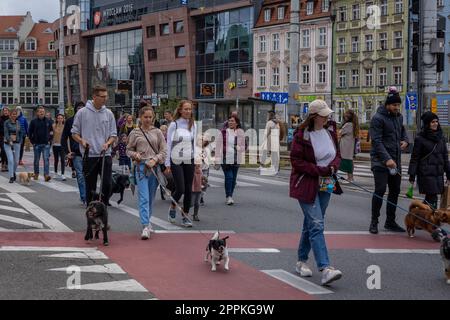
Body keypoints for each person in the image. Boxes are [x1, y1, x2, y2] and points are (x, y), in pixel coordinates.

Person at [289, 99, 343, 286]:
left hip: (327, 182)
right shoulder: (301, 135)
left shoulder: (330, 131)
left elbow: (337, 154)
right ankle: (325, 268)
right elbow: (297, 162)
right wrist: (321, 170)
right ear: (314, 116)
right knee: (317, 224)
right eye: (324, 114)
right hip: (307, 183)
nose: (328, 116)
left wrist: (333, 167)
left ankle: (301, 261)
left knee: (311, 223)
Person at [369, 87, 409, 234]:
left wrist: (405, 140)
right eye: (394, 105)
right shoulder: (378, 118)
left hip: (395, 160)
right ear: (387, 105)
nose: (397, 108)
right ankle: (374, 221)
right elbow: (377, 142)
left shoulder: (399, 117)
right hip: (380, 161)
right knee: (380, 190)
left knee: (395, 191)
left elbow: (403, 131)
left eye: (398, 105)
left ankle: (390, 221)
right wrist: (387, 159)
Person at [72, 86, 117, 206]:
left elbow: (113, 134)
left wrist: (108, 143)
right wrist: (82, 141)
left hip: (105, 153)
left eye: (106, 96)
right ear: (94, 97)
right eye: (102, 96)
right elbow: (74, 133)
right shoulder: (82, 113)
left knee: (107, 183)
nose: (105, 99)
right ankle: (91, 207)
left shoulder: (108, 113)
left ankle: (103, 203)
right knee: (90, 185)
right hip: (90, 154)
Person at [127, 106, 167, 239]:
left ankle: (148, 221)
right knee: (143, 196)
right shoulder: (135, 132)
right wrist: (135, 154)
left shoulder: (158, 132)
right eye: (145, 117)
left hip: (154, 167)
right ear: (140, 117)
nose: (148, 119)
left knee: (150, 197)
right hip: (141, 167)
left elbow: (163, 151)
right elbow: (128, 150)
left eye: (150, 117)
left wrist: (155, 159)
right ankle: (145, 225)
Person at [165, 100, 197, 227]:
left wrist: (197, 160)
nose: (188, 111)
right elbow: (169, 144)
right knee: (181, 188)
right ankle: (173, 205)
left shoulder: (194, 124)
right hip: (176, 159)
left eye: (190, 109)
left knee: (189, 189)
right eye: (186, 109)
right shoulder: (174, 125)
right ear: (180, 110)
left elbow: (194, 143)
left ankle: (185, 215)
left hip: (190, 159)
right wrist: (167, 162)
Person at [408, 112, 450, 209]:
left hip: (438, 174)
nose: (435, 124)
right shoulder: (420, 138)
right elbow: (415, 158)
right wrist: (412, 175)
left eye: (436, 121)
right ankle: (429, 221)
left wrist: (449, 174)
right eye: (432, 122)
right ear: (427, 124)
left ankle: (421, 218)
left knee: (431, 199)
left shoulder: (441, 138)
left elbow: (445, 157)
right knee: (432, 198)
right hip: (425, 174)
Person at [62, 101, 86, 205]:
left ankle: (89, 195)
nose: (80, 109)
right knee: (80, 175)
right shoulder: (70, 121)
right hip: (76, 153)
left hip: (89, 152)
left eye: (82, 107)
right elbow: (64, 138)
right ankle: (84, 197)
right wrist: (67, 152)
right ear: (75, 109)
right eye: (78, 107)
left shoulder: (88, 120)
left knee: (88, 176)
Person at [220, 115, 245, 205]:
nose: (230, 122)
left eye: (232, 121)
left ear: (237, 123)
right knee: (229, 177)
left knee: (233, 180)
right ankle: (228, 196)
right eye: (229, 121)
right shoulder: (223, 132)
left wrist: (240, 148)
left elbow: (245, 146)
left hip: (236, 159)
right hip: (225, 158)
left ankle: (230, 195)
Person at [29, 106, 53, 182]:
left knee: (46, 160)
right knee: (36, 160)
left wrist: (50, 140)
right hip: (37, 144)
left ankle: (46, 175)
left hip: (46, 144)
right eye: (40, 111)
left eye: (43, 111)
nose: (42, 112)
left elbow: (51, 132)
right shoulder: (33, 121)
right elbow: (29, 133)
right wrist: (33, 142)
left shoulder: (48, 121)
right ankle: (36, 173)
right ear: (37, 113)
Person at [3, 109, 24, 183]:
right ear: (10, 115)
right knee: (11, 160)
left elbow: (21, 132)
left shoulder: (18, 122)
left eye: (15, 114)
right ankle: (11, 176)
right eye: (12, 114)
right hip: (8, 143)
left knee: (16, 161)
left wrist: (20, 140)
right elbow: (5, 133)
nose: (14, 115)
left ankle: (13, 172)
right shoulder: (6, 122)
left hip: (17, 143)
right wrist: (9, 141)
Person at [339, 110, 359, 183]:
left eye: (346, 116)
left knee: (347, 161)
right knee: (349, 161)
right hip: (349, 145)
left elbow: (340, 132)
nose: (344, 117)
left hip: (346, 145)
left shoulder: (348, 125)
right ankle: (350, 178)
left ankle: (350, 178)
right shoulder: (353, 124)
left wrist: (342, 128)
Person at [52, 114, 66, 180]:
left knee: (63, 160)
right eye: (59, 118)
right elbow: (52, 135)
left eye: (61, 118)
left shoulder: (65, 126)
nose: (60, 119)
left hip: (62, 145)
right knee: (56, 160)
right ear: (56, 119)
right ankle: (55, 172)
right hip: (55, 145)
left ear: (63, 119)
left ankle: (62, 174)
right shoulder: (53, 126)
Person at [0, 108, 9, 172]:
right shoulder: (0, 119)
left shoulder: (10, 119)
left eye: (6, 111)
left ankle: (7, 164)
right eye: (4, 111)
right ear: (2, 112)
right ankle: (3, 164)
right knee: (3, 150)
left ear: (8, 112)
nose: (5, 112)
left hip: (9, 137)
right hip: (1, 136)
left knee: (8, 151)